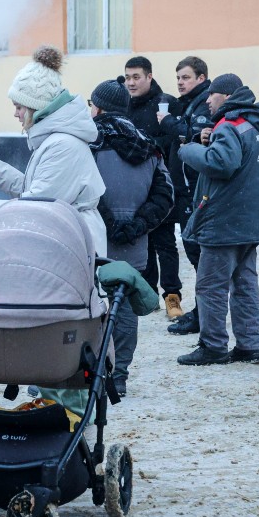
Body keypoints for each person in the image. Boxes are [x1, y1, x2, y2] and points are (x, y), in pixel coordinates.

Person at [0, 45, 106, 420]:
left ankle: (67, 420)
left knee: (62, 326)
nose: (16, 112)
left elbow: (38, 208)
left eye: (20, 105)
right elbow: (37, 191)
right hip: (61, 241)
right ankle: (52, 411)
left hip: (67, 244)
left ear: (37, 106)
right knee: (51, 324)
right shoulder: (54, 141)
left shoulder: (62, 146)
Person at [176, 73, 259, 366]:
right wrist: (209, 138)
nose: (207, 100)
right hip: (249, 221)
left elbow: (221, 163)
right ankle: (249, 345)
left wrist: (188, 149)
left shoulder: (229, 125)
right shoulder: (255, 125)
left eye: (212, 94)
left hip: (224, 220)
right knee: (245, 285)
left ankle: (213, 345)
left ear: (227, 97)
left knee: (210, 286)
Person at [89, 78, 174, 397]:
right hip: (135, 247)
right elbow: (165, 195)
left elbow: (84, 190)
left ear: (98, 108)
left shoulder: (89, 144)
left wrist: (110, 223)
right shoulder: (149, 145)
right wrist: (137, 225)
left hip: (95, 244)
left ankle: (88, 374)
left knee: (88, 309)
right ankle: (119, 374)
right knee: (123, 311)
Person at [123, 56, 182, 319]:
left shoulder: (166, 104)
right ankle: (147, 295)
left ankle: (172, 297)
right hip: (133, 186)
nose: (131, 83)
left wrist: (142, 146)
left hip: (160, 185)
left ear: (149, 77)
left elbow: (172, 141)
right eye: (127, 77)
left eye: (136, 77)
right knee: (141, 243)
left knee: (165, 243)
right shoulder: (123, 105)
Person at [160, 56, 212, 335]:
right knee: (193, 251)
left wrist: (169, 121)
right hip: (185, 190)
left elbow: (193, 135)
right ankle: (201, 311)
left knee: (197, 252)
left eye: (186, 77)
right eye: (178, 77)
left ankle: (205, 314)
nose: (180, 82)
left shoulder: (204, 104)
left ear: (201, 78)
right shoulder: (191, 103)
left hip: (195, 191)